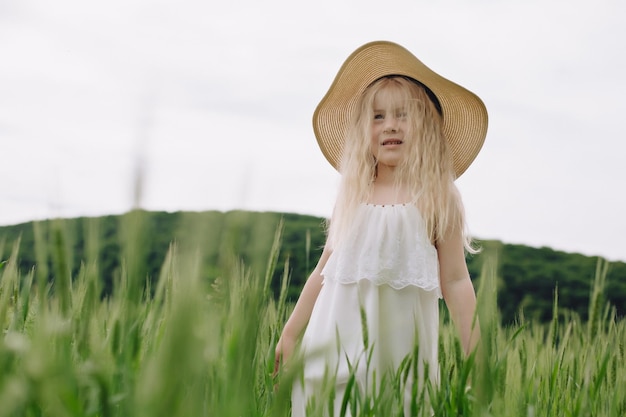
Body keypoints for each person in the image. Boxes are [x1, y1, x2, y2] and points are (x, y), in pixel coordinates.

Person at [274, 40, 488, 416]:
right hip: (333, 349)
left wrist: (476, 359)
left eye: (403, 114)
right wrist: (292, 331)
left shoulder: (437, 195)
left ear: (427, 125)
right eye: (377, 117)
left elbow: (455, 281)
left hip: (399, 360)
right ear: (363, 131)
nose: (390, 125)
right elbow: (324, 271)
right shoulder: (353, 194)